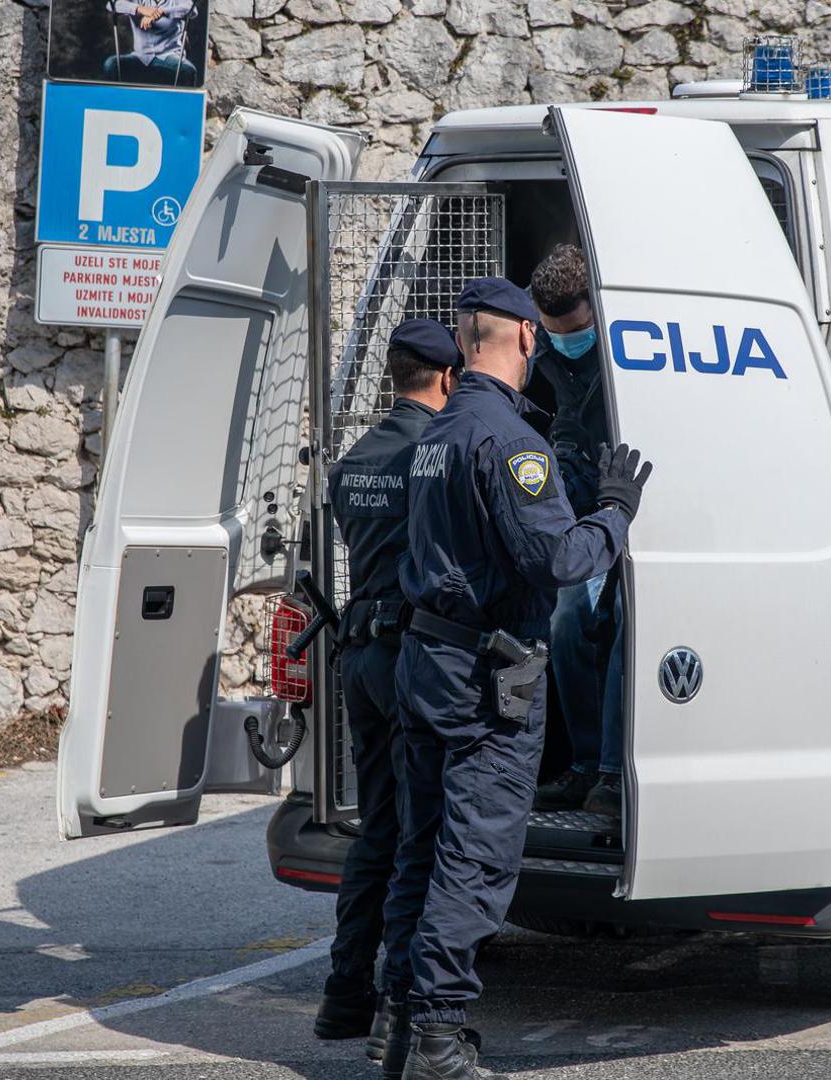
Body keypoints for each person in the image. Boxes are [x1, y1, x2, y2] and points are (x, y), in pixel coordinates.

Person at [380, 278, 653, 1080]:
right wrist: (613, 510)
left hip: (427, 665)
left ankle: (401, 1025)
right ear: (526, 340)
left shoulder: (438, 430)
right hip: (482, 678)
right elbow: (558, 559)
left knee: (419, 851)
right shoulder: (512, 443)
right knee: (474, 859)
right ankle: (437, 1039)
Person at [315, 320, 461, 1054]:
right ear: (445, 379)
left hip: (360, 657)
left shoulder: (355, 461)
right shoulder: (430, 457)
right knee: (419, 836)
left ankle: (345, 992)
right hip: (409, 658)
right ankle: (398, 1009)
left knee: (377, 828)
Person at [526, 244, 626, 818]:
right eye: (554, 332)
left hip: (629, 494)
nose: (566, 341)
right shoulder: (542, 347)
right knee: (567, 624)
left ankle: (612, 774)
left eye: (577, 330)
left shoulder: (625, 347)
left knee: (618, 627)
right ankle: (586, 766)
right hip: (579, 502)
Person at [102, 0, 199, 85]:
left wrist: (161, 12)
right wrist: (140, 9)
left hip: (168, 56)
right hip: (140, 57)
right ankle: (116, 103)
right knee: (111, 64)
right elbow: (112, 4)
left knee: (188, 71)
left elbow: (191, 8)